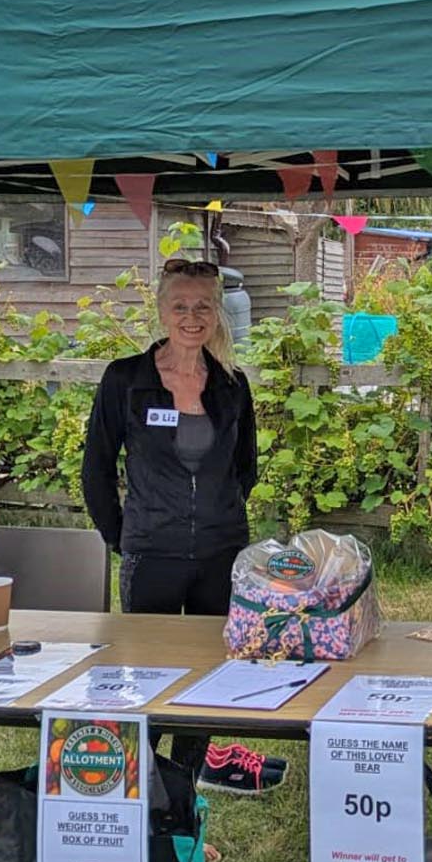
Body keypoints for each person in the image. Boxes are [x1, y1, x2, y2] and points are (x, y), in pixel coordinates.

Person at [81, 257, 286, 794]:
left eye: (202, 306)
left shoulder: (230, 385)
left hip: (220, 556)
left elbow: (246, 467)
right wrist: (122, 535)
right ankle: (137, 800)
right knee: (145, 681)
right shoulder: (126, 380)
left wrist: (215, 518)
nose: (192, 316)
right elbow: (96, 468)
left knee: (203, 686)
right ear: (162, 311)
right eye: (181, 306)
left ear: (216, 314)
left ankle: (183, 807)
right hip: (152, 554)